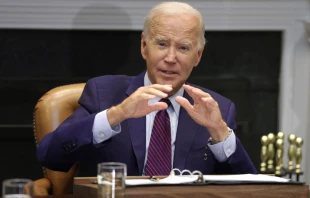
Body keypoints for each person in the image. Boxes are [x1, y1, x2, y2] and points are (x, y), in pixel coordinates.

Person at [37, 1, 257, 177]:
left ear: (197, 56)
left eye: (183, 48)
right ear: (144, 46)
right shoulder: (103, 93)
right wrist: (117, 114)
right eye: (161, 44)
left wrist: (219, 133)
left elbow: (250, 190)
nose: (170, 58)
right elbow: (49, 155)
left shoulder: (217, 109)